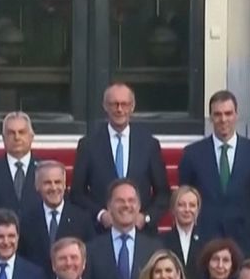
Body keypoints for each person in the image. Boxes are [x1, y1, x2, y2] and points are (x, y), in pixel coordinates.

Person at [69, 82, 172, 229]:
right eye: (114, 104)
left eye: (124, 104)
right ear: (105, 106)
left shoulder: (149, 144)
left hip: (140, 233)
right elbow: (77, 194)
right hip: (101, 232)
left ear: (132, 107)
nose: (119, 109)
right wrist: (100, 214)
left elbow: (163, 194)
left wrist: (146, 217)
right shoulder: (88, 145)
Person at [175, 90, 250, 238]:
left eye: (228, 113)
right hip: (206, 238)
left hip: (245, 237)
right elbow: (184, 195)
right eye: (217, 114)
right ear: (210, 118)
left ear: (236, 115)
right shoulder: (192, 154)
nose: (223, 119)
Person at [86, 179, 161, 279]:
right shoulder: (91, 250)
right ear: (109, 206)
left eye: (131, 201)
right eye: (120, 201)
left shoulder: (155, 249)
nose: (126, 205)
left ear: (139, 206)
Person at [18, 160, 93, 271]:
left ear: (64, 185)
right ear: (37, 186)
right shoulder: (25, 220)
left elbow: (89, 258)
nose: (53, 188)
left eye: (57, 182)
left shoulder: (82, 219)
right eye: (47, 183)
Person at [161, 186, 207, 279]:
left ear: (198, 210)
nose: (187, 210)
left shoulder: (208, 240)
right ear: (173, 209)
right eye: (181, 205)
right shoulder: (161, 240)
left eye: (192, 205)